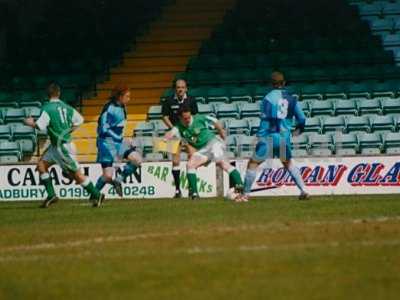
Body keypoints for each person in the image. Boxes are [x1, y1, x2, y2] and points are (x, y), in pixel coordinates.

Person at [24, 83, 104, 208]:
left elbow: (40, 126)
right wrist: (68, 130)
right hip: (57, 146)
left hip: (62, 147)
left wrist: (30, 123)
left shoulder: (47, 108)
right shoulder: (66, 106)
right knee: (41, 166)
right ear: (59, 93)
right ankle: (51, 195)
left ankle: (96, 194)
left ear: (47, 94)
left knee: (76, 175)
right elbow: (80, 120)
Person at [243, 72, 309, 200]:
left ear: (271, 84)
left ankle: (245, 195)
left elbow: (265, 121)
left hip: (269, 137)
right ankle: (304, 190)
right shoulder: (291, 99)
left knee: (253, 163)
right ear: (284, 83)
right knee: (288, 163)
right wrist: (298, 131)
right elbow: (302, 118)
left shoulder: (267, 98)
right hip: (283, 138)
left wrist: (260, 137)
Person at [164, 105, 244, 200]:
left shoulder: (199, 118)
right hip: (202, 150)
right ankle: (194, 194)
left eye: (189, 117)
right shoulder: (178, 127)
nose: (188, 119)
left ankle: (240, 186)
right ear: (180, 118)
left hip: (213, 143)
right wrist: (165, 139)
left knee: (222, 163)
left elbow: (214, 121)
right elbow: (170, 133)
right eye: (185, 118)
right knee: (190, 165)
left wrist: (221, 130)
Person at [95, 84, 142, 197]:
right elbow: (103, 128)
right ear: (120, 96)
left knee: (137, 159)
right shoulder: (109, 107)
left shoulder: (122, 107)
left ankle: (118, 180)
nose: (129, 99)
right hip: (107, 143)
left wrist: (123, 139)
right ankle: (94, 195)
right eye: (127, 96)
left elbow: (118, 127)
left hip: (118, 142)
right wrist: (118, 138)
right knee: (107, 176)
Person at [161, 78, 198, 198]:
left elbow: (195, 117)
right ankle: (177, 190)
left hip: (188, 133)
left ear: (186, 88)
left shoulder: (192, 100)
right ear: (175, 89)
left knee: (192, 158)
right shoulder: (168, 100)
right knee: (175, 161)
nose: (180, 89)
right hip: (174, 133)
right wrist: (173, 129)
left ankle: (192, 189)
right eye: (178, 87)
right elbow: (165, 117)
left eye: (182, 87)